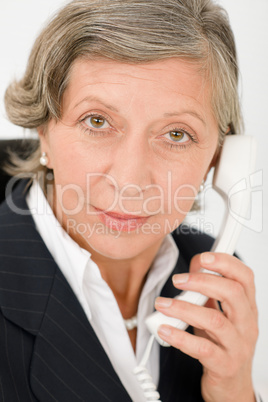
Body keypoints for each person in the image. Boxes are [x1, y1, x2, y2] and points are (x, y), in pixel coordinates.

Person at [0, 0, 260, 401]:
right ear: (43, 127)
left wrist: (234, 389)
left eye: (176, 134)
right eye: (97, 121)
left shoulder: (212, 284)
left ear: (220, 156)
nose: (130, 181)